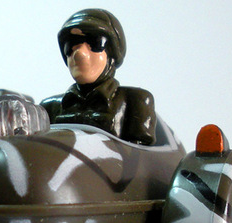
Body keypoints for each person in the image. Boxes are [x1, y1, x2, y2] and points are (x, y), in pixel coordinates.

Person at [40, 9, 156, 145]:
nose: (80, 54)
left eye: (95, 43)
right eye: (71, 45)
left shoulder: (134, 101)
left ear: (112, 52)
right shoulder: (50, 107)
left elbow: (139, 154)